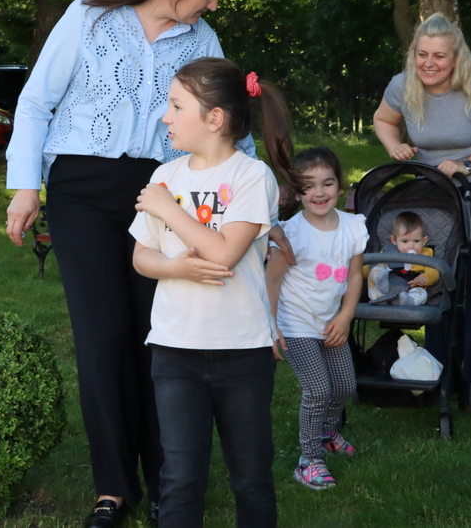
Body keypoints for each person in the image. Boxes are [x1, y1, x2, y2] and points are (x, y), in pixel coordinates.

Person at [4, 0, 258, 527]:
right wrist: (25, 186)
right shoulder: (90, 16)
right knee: (102, 339)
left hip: (163, 193)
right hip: (81, 191)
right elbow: (37, 102)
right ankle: (113, 489)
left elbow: (225, 123)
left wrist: (254, 200)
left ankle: (171, 483)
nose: (212, 5)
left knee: (158, 337)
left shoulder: (202, 38)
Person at [129, 59, 302, 528]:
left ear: (215, 118)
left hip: (242, 353)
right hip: (175, 350)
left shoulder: (251, 176)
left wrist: (169, 209)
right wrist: (175, 267)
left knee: (250, 476)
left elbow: (225, 252)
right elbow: (142, 257)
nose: (165, 117)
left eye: (176, 106)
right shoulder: (165, 176)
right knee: (180, 478)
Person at [373, 13, 471, 404]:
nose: (429, 63)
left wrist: (467, 164)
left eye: (439, 56)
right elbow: (383, 119)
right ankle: (439, 373)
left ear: (456, 58)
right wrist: (394, 146)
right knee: (438, 277)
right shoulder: (402, 85)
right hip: (436, 195)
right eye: (422, 54)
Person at [265, 146, 367, 491]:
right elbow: (271, 282)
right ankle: (308, 461)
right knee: (319, 390)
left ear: (340, 186)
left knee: (345, 386)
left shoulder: (353, 227)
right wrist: (272, 326)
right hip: (296, 325)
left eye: (327, 183)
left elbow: (355, 276)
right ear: (297, 192)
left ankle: (326, 434)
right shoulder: (290, 234)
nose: (319, 193)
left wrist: (346, 316)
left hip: (331, 323)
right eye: (308, 186)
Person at [365, 211, 441, 306]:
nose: (411, 246)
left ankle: (408, 301)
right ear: (394, 240)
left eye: (416, 241)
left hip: (411, 288)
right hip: (387, 286)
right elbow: (369, 266)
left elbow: (434, 272)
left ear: (424, 241)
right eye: (405, 241)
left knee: (421, 293)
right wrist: (356, 270)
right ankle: (379, 284)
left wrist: (424, 278)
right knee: (375, 267)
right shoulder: (388, 251)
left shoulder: (425, 254)